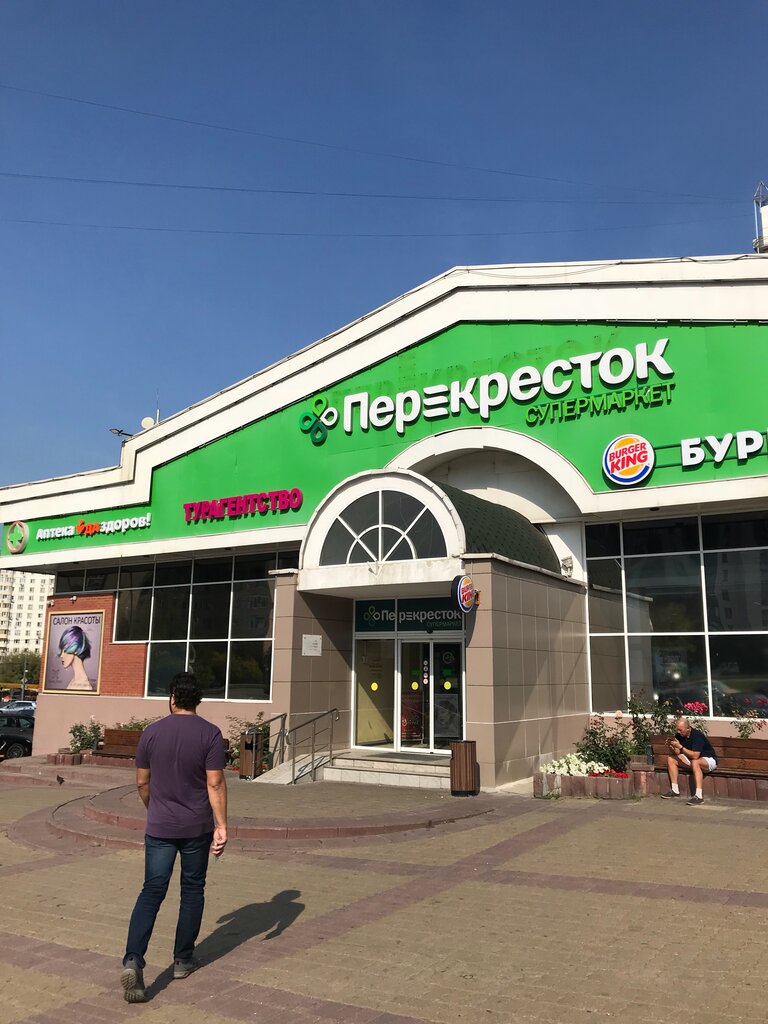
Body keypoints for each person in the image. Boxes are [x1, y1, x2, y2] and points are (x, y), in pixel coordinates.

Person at [120, 672, 228, 1003]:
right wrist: (222, 825)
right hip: (196, 827)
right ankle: (182, 959)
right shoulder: (210, 734)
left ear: (171, 698)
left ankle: (133, 959)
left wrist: (154, 809)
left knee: (152, 891)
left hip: (160, 827)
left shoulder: (151, 733)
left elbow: (142, 781)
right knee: (192, 889)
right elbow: (214, 783)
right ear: (198, 700)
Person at [660, 714, 717, 806]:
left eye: (681, 730)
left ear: (688, 728)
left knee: (695, 762)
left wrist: (680, 747)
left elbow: (695, 756)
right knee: (671, 759)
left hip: (708, 760)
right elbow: (678, 752)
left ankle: (699, 796)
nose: (679, 732)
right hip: (693, 761)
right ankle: (675, 790)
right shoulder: (679, 735)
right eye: (677, 730)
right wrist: (671, 747)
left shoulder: (697, 736)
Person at [57, 625, 95, 690]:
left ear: (76, 649)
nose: (61, 655)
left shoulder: (83, 685)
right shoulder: (75, 680)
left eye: (65, 650)